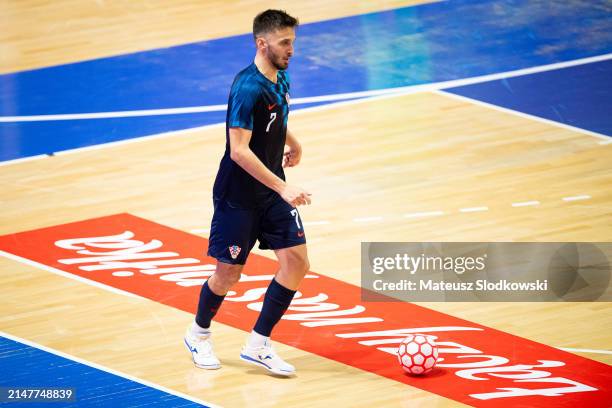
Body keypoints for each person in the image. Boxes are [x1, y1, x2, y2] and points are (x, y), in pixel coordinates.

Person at [184, 9, 310, 377]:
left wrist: (292, 141)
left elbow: (276, 116)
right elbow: (239, 151)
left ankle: (258, 344)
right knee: (228, 275)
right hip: (238, 196)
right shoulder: (246, 87)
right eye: (285, 43)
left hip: (270, 191)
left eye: (293, 42)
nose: (291, 50)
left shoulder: (280, 78)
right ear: (262, 43)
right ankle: (198, 334)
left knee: (297, 263)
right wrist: (284, 186)